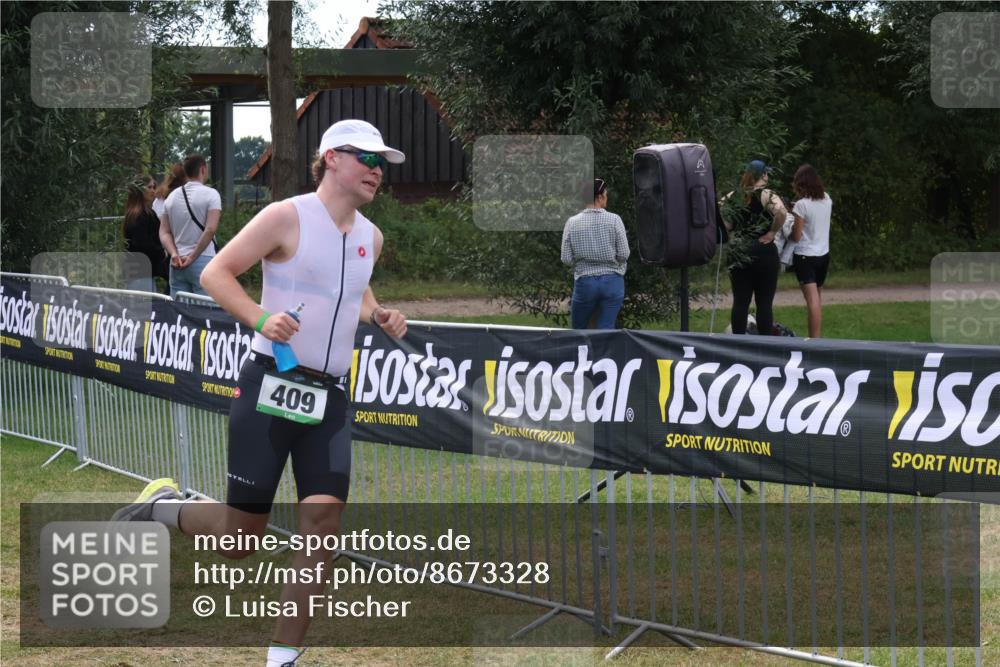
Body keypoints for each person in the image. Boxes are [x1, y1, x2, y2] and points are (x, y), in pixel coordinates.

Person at [112, 119, 407, 667]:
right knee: (239, 539)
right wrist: (261, 318)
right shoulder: (286, 216)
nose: (376, 171)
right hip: (270, 385)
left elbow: (352, 289)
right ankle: (162, 508)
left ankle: (282, 658)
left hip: (330, 399)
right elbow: (217, 273)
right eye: (366, 159)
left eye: (381, 162)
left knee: (322, 527)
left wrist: (379, 313)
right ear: (332, 159)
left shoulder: (371, 236)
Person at [722, 160, 788, 336]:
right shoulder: (767, 194)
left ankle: (738, 343)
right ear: (764, 175)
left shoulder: (732, 196)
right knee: (764, 302)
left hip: (739, 250)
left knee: (740, 302)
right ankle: (765, 345)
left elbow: (722, 218)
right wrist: (773, 232)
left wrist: (730, 236)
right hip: (763, 249)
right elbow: (781, 212)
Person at [561, 178, 630, 329]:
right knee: (606, 328)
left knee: (579, 329)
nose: (607, 197)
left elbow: (566, 258)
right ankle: (604, 352)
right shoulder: (614, 220)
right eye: (606, 194)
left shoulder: (572, 222)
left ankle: (582, 352)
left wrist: (581, 262)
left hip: (585, 282)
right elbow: (624, 254)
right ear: (599, 197)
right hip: (612, 282)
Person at [159, 154, 221, 297]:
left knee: (180, 313)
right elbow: (210, 229)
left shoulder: (171, 198)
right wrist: (192, 257)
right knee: (204, 311)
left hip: (177, 263)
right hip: (203, 259)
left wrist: (174, 253)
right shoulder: (211, 194)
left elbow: (164, 232)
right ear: (203, 169)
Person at [790, 164, 832, 338]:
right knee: (817, 299)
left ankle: (814, 342)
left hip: (805, 256)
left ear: (801, 184)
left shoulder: (801, 205)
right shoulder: (827, 199)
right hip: (823, 255)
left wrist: (792, 221)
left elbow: (797, 236)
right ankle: (817, 338)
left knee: (812, 302)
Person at [122, 175, 169, 293]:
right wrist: (161, 252)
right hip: (141, 271)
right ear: (140, 190)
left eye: (154, 186)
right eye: (149, 187)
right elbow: (142, 243)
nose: (153, 190)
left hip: (141, 270)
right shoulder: (140, 215)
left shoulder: (139, 212)